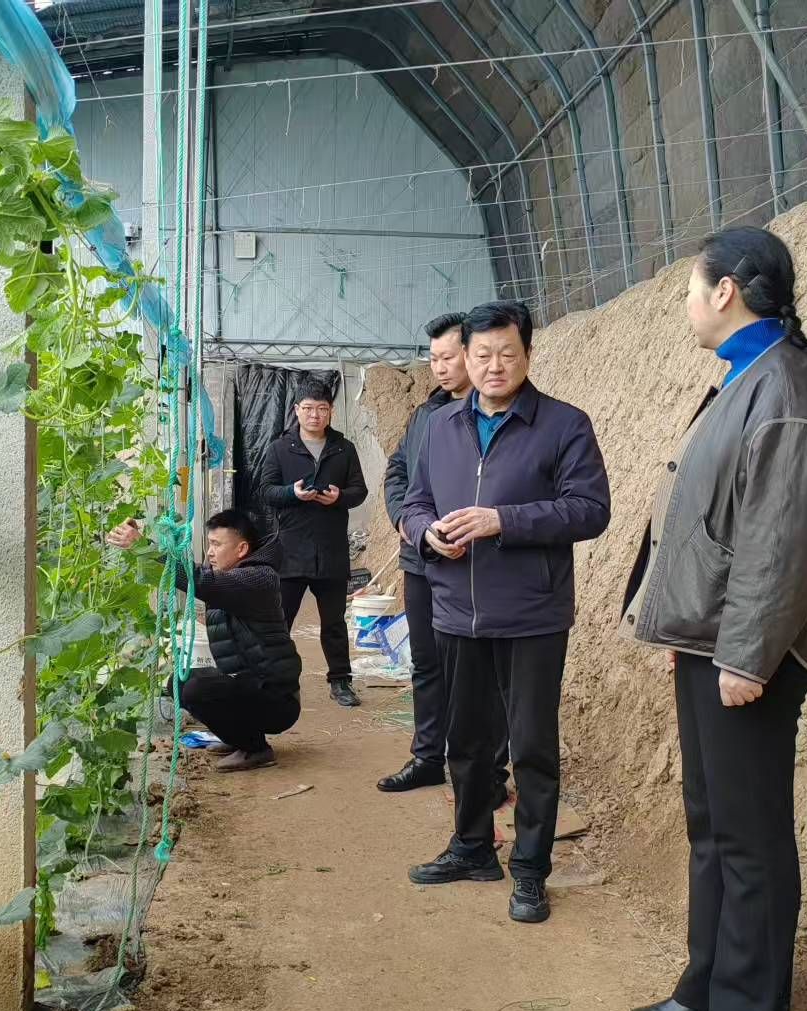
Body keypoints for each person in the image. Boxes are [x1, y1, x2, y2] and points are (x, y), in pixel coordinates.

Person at [617, 226, 807, 1011]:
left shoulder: (788, 387)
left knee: (750, 837)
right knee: (712, 824)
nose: (687, 304)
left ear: (726, 291)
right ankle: (708, 985)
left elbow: (785, 540)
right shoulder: (744, 377)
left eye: (691, 288)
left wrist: (749, 657)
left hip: (746, 651)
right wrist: (695, 634)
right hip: (710, 636)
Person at [399, 299, 611, 925]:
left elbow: (590, 510)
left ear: (528, 355)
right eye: (483, 354)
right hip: (455, 609)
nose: (495, 366)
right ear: (465, 358)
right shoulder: (440, 427)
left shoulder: (564, 425)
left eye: (508, 354)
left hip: (531, 614)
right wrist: (425, 533)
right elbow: (414, 500)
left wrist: (503, 521)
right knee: (466, 742)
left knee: (532, 747)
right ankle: (471, 847)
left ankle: (530, 869)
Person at [377, 312, 494, 793]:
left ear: (470, 353)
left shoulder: (494, 413)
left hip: (477, 564)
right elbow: (397, 473)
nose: (440, 368)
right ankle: (427, 757)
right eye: (433, 360)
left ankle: (488, 770)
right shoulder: (425, 415)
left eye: (448, 358)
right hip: (422, 559)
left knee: (479, 672)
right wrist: (407, 523)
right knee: (426, 663)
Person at [107, 509, 303, 772]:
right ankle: (238, 736)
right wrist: (142, 543)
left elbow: (200, 580)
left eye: (216, 544)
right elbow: (196, 577)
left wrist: (144, 547)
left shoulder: (257, 578)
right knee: (178, 682)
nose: (210, 552)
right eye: (209, 544)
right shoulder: (233, 576)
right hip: (252, 686)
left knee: (197, 690)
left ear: (242, 549)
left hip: (278, 699)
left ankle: (256, 749)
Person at [254, 379, 369, 708]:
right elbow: (265, 491)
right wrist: (292, 493)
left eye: (322, 409)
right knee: (281, 621)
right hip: (291, 549)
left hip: (331, 548)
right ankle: (275, 681)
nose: (315, 415)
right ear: (296, 410)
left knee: (334, 622)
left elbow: (359, 491)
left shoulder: (344, 449)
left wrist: (339, 497)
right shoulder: (280, 448)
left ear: (331, 412)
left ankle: (341, 682)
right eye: (308, 408)